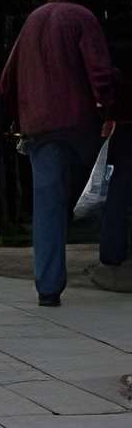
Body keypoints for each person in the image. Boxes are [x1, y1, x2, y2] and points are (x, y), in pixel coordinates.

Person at [0, 0, 117, 305]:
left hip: (38, 125)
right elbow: (99, 72)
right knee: (93, 190)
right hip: (79, 122)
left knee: (47, 204)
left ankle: (48, 288)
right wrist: (108, 110)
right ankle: (111, 251)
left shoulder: (32, 22)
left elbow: (6, 81)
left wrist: (20, 114)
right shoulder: (82, 18)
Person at [90, 60, 132, 292]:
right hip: (122, 116)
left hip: (122, 118)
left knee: (117, 186)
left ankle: (112, 251)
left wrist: (107, 113)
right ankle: (114, 249)